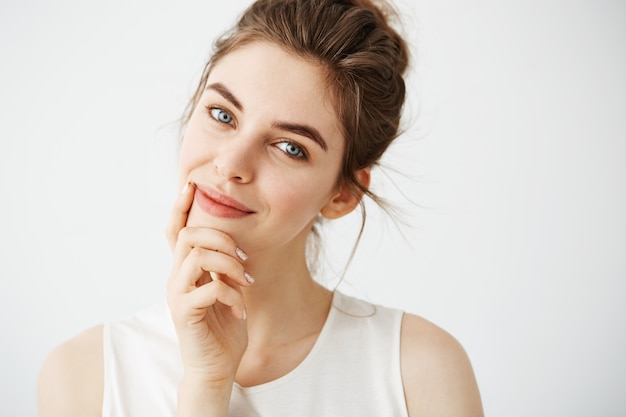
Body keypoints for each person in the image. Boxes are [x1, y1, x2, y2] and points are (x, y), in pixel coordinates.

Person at [37, 0, 484, 415]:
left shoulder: (420, 372)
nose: (230, 163)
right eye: (223, 115)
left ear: (342, 194)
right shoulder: (84, 376)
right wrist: (206, 387)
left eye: (290, 147)